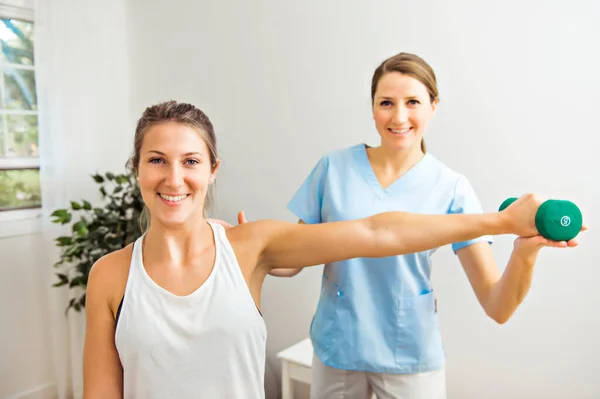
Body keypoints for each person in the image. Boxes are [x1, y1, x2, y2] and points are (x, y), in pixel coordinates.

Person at [81, 100, 576, 399]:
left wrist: (504, 222)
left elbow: (379, 233)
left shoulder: (251, 246)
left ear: (212, 170)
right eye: (156, 160)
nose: (173, 178)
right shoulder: (110, 274)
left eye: (190, 160)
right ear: (137, 168)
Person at [251, 52, 583, 399]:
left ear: (433, 105)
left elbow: (497, 305)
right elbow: (291, 259)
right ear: (372, 107)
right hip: (338, 347)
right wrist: (254, 246)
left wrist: (525, 254)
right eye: (386, 103)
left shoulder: (451, 188)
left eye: (413, 102)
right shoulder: (334, 168)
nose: (399, 116)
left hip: (409, 353)